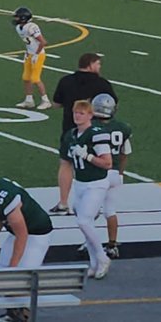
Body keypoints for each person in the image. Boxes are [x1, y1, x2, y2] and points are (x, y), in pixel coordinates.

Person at [0, 177, 53, 322]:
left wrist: (14, 265)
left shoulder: (7, 202)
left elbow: (22, 235)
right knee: (5, 273)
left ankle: (23, 316)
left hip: (36, 234)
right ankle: (13, 314)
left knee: (20, 276)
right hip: (18, 233)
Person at [51, 53, 117, 214]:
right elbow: (112, 104)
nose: (99, 67)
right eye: (98, 64)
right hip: (94, 129)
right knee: (97, 164)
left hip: (70, 128)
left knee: (66, 163)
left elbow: (56, 103)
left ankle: (63, 202)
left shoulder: (66, 80)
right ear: (91, 64)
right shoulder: (102, 83)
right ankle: (96, 202)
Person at [63, 100, 114, 279]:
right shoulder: (71, 134)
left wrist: (87, 156)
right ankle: (94, 263)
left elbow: (107, 163)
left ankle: (102, 257)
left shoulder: (96, 134)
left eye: (81, 113)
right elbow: (67, 162)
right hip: (80, 183)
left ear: (90, 115)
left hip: (96, 183)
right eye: (75, 112)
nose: (77, 116)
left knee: (84, 222)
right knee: (87, 224)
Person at [93, 94, 131, 260]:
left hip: (98, 174)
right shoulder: (122, 127)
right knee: (110, 211)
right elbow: (125, 153)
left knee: (87, 212)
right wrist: (120, 173)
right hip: (114, 173)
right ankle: (112, 245)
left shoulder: (91, 127)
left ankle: (90, 243)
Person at [12, 7, 52, 110]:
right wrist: (28, 52)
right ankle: (29, 100)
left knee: (35, 78)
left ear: (23, 18)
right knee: (26, 77)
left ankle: (46, 101)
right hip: (29, 54)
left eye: (17, 17)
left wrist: (36, 54)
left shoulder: (31, 27)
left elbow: (43, 42)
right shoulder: (19, 27)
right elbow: (29, 42)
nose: (15, 19)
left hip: (38, 54)